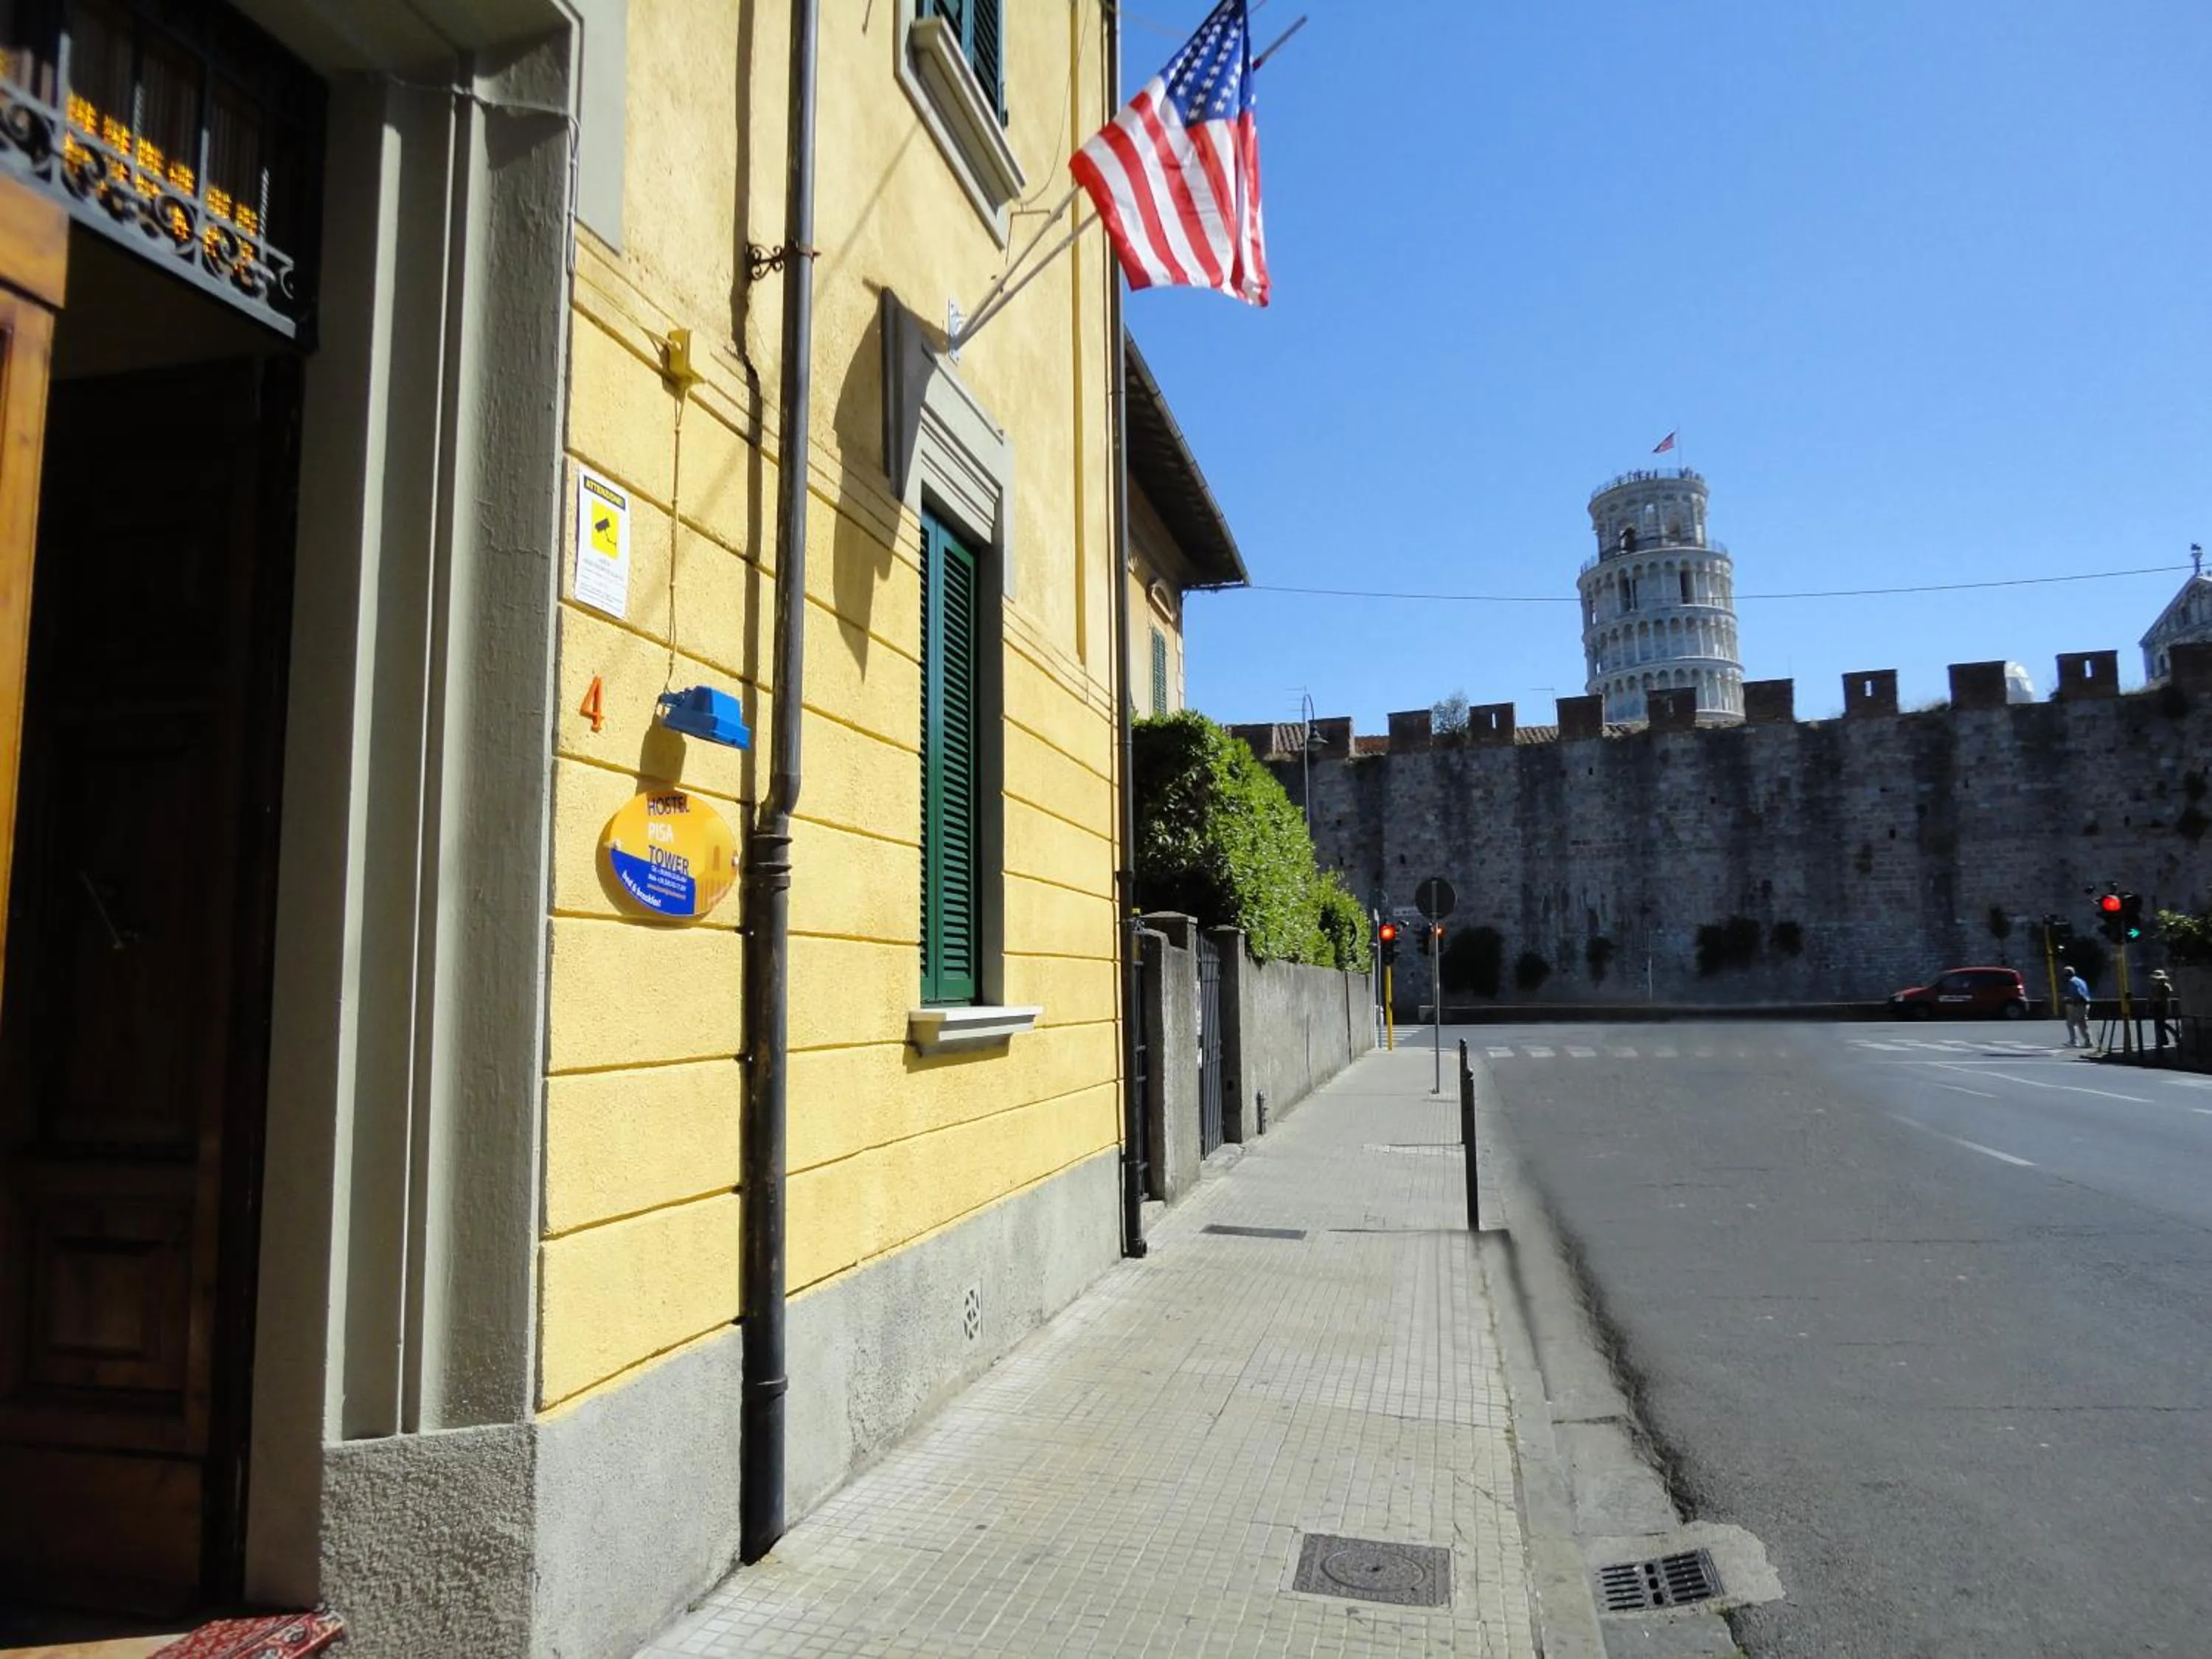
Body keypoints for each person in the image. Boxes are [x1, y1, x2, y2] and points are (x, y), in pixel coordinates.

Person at [2060, 964, 2092, 1048]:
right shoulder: (2080, 980)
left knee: (2077, 1023)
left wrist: (2069, 1000)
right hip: (2086, 1003)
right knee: (2078, 1023)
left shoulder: (2071, 982)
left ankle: (2077, 1041)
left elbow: (2077, 994)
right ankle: (2084, 1041)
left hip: (2077, 1005)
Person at [2149, 970, 2179, 1050]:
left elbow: (2166, 997)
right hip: (2156, 1006)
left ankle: (2175, 1035)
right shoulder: (2154, 987)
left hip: (2163, 1006)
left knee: (2162, 1023)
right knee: (2159, 1024)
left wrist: (2157, 998)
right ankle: (2163, 1040)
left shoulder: (2166, 987)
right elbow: (2152, 998)